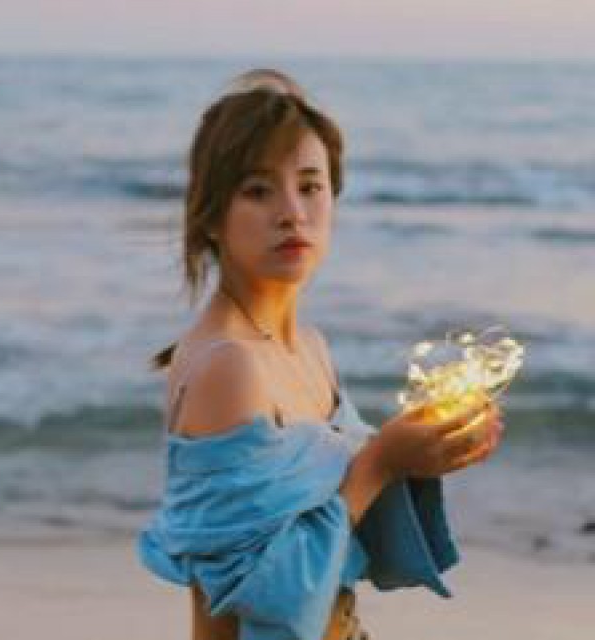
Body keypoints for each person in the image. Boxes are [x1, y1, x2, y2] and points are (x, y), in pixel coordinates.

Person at [137, 68, 503, 640]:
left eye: (310, 186)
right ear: (211, 215)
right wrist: (381, 461)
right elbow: (265, 596)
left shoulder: (309, 346)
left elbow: (331, 518)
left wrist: (423, 450)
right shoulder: (229, 365)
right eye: (258, 191)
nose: (292, 212)